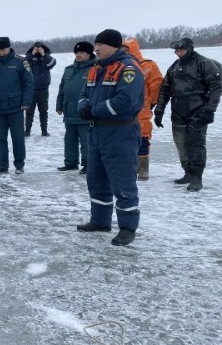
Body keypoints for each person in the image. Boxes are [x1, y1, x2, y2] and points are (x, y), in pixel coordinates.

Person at [76, 29, 144, 246]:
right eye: (95, 44)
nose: (96, 49)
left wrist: (94, 111)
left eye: (100, 45)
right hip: (97, 133)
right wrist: (83, 107)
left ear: (114, 47)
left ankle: (127, 228)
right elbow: (84, 94)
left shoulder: (128, 69)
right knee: (96, 180)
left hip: (120, 133)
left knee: (122, 181)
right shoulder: (95, 69)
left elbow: (125, 101)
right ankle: (100, 221)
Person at [154, 37, 222, 191]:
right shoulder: (174, 67)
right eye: (176, 50)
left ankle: (197, 177)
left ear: (190, 48)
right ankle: (188, 172)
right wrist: (159, 111)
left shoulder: (204, 63)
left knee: (196, 143)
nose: (178, 53)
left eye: (181, 50)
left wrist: (210, 110)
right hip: (178, 110)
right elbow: (164, 89)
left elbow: (216, 87)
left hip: (198, 109)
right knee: (181, 142)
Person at [0, 37, 34, 174]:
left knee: (18, 138)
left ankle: (19, 165)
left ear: (9, 47)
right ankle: (3, 166)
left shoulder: (20, 62)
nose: (0, 52)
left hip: (16, 107)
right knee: (0, 139)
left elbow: (29, 83)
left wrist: (26, 102)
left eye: (3, 49)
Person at [121, 38, 164, 181]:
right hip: (123, 109)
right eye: (122, 50)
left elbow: (156, 86)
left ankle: (143, 169)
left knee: (142, 138)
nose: (124, 52)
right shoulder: (118, 65)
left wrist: (151, 103)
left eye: (126, 49)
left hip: (142, 109)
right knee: (125, 139)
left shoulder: (148, 65)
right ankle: (131, 167)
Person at [55, 41, 96, 174]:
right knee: (70, 139)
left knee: (86, 140)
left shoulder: (95, 69)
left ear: (89, 54)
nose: (78, 55)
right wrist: (59, 105)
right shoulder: (69, 70)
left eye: (82, 53)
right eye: (77, 53)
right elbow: (62, 89)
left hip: (85, 111)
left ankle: (88, 165)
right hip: (69, 110)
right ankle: (70, 163)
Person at [24, 42, 57, 136]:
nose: (38, 50)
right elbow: (24, 65)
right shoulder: (29, 58)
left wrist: (44, 55)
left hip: (43, 89)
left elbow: (52, 63)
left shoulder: (46, 58)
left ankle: (44, 130)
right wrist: (31, 54)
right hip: (30, 89)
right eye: (36, 48)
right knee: (29, 112)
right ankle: (27, 131)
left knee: (43, 111)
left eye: (40, 48)